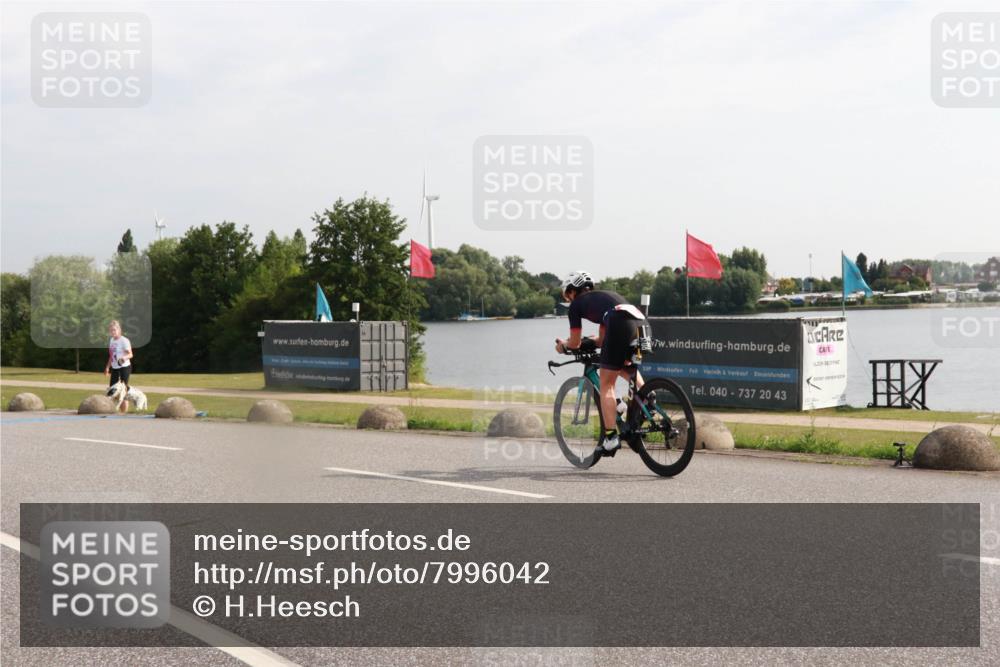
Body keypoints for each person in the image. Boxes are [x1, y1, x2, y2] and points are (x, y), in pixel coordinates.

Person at [554, 271, 646, 456]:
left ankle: (611, 438)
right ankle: (647, 397)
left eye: (568, 295)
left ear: (572, 291)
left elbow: (574, 343)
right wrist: (591, 340)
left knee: (606, 384)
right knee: (623, 365)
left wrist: (563, 346)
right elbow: (603, 340)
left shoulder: (576, 306)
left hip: (618, 323)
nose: (569, 299)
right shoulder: (604, 299)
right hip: (641, 324)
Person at [104, 320, 133, 413]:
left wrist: (123, 358)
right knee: (112, 391)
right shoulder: (111, 340)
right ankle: (111, 411)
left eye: (114, 330)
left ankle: (123, 414)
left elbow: (130, 354)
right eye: (111, 330)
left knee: (122, 391)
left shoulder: (124, 341)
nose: (113, 332)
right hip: (115, 368)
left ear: (119, 330)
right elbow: (111, 355)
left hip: (124, 368)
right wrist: (108, 367)